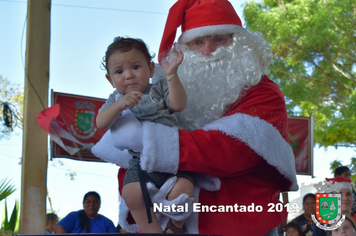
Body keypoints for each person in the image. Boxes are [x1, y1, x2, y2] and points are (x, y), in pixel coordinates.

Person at [92, 0, 298, 235]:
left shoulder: (263, 91)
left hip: (241, 224)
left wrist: (149, 140)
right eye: (197, 42)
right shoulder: (155, 91)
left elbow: (233, 150)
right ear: (184, 49)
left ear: (239, 42)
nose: (207, 51)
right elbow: (128, 162)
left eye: (219, 39)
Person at [96, 36, 195, 233]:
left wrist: (171, 75)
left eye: (135, 67)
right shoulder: (115, 99)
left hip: (172, 158)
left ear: (150, 69)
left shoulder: (158, 88)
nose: (128, 75)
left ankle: (177, 226)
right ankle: (152, 230)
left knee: (183, 189)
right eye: (119, 71)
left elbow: (178, 104)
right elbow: (101, 123)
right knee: (131, 194)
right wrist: (120, 105)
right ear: (110, 79)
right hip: (139, 164)